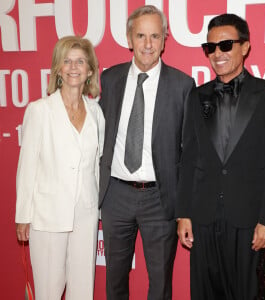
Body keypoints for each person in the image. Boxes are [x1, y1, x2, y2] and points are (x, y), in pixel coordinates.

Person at [176, 13, 265, 300]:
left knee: (248, 293)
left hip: (248, 219)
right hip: (203, 216)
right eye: (210, 47)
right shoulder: (196, 95)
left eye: (225, 45)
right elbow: (188, 157)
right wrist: (184, 213)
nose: (217, 53)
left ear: (245, 47)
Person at [99, 5, 195, 300]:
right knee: (114, 278)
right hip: (116, 195)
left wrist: (184, 211)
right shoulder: (109, 79)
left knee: (160, 282)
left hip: (160, 198)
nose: (148, 44)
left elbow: (190, 153)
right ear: (129, 39)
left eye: (155, 36)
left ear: (165, 40)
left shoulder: (182, 85)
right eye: (141, 35)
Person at [15, 36, 105, 300]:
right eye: (66, 61)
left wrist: (97, 210)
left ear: (90, 70)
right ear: (57, 68)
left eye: (80, 61)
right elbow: (27, 165)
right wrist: (23, 214)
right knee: (48, 291)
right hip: (47, 215)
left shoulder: (96, 113)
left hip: (85, 214)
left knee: (82, 289)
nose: (73, 67)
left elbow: (96, 166)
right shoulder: (40, 111)